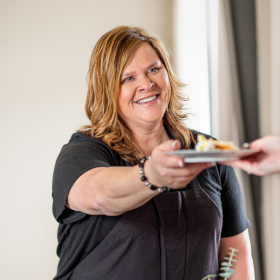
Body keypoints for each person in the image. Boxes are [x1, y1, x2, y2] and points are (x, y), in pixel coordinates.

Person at [52, 26, 255, 280]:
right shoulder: (81, 153)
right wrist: (152, 175)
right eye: (128, 78)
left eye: (154, 70)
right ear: (106, 90)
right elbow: (99, 194)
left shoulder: (207, 153)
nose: (147, 84)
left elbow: (234, 254)